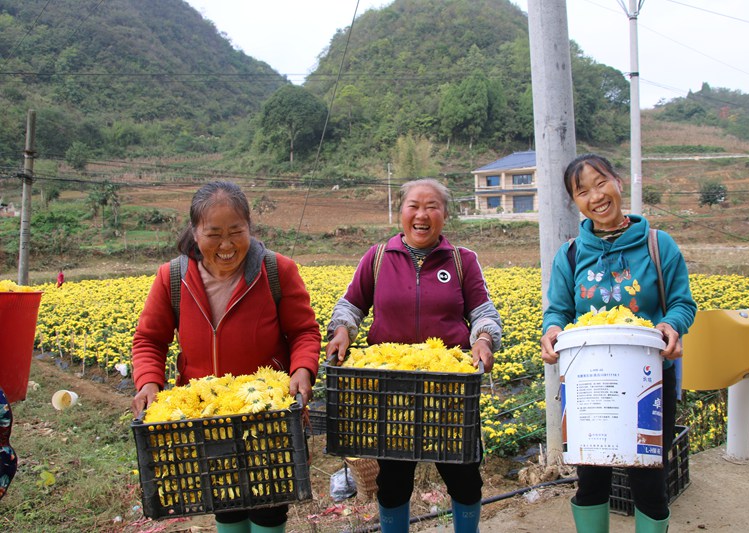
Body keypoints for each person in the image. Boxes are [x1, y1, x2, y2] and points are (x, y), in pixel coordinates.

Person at [131, 181, 321, 533]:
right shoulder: (172, 278)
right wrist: (148, 382)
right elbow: (149, 340)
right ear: (194, 231)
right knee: (225, 503)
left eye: (237, 231)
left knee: (268, 505)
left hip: (267, 413)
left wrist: (303, 369)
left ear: (250, 227)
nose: (227, 245)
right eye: (214, 233)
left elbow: (304, 332)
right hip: (205, 415)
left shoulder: (277, 271)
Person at [325, 178, 502, 533]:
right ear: (401, 212)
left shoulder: (461, 261)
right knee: (392, 483)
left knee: (464, 478)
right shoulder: (377, 258)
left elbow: (484, 312)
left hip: (449, 391)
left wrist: (483, 338)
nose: (422, 215)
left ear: (445, 214)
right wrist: (342, 329)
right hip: (390, 390)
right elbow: (351, 305)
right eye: (414, 206)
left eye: (432, 206)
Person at [540, 154, 697, 533]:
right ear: (575, 202)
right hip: (589, 383)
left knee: (648, 481)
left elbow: (682, 303)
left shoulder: (659, 245)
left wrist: (672, 325)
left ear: (618, 183)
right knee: (591, 481)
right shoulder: (571, 254)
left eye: (600, 182)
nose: (595, 196)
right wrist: (551, 331)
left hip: (649, 380)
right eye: (582, 191)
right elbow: (558, 310)